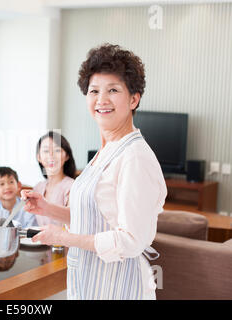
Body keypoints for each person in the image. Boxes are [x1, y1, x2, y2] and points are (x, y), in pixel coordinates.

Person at [22, 44, 167, 300]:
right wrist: (47, 209)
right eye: (94, 91)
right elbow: (93, 217)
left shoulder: (135, 157)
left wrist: (65, 238)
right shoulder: (106, 150)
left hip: (119, 285)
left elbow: (131, 240)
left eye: (113, 90)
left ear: (134, 99)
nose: (101, 99)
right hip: (90, 281)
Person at [33, 131, 77, 228]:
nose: (51, 155)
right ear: (39, 157)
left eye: (57, 150)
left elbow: (74, 221)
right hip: (40, 242)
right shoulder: (37, 188)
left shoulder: (73, 186)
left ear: (66, 156)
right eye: (46, 151)